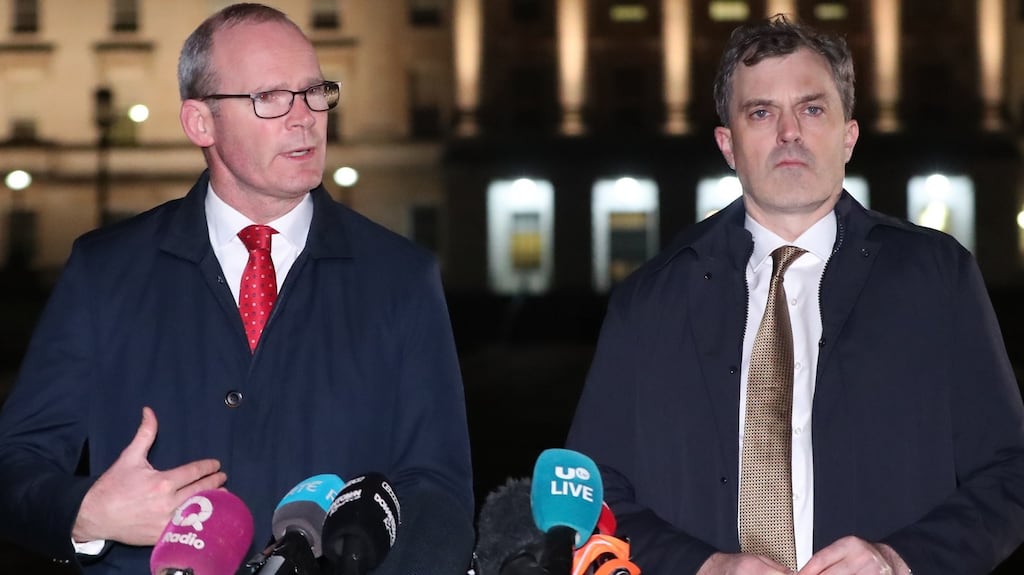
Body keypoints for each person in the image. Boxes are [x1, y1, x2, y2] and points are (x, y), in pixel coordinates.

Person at [0, 3, 474, 574]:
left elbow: (437, 489)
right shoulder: (104, 270)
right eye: (270, 98)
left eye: (315, 91)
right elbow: (15, 464)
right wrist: (87, 514)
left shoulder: (402, 277)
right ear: (201, 122)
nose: (305, 118)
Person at [567, 15, 1024, 575]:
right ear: (727, 145)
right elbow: (589, 497)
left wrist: (899, 560)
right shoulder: (648, 301)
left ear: (849, 135)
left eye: (812, 109)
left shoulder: (936, 278)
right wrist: (704, 567)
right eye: (761, 113)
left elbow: (1011, 469)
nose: (789, 132)